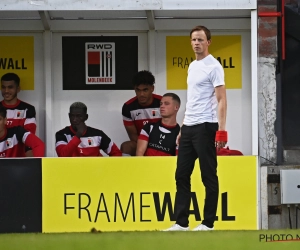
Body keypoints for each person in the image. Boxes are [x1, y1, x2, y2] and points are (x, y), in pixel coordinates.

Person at [164, 26, 227, 231]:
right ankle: (181, 222)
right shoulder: (192, 66)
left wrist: (222, 130)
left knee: (208, 175)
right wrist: (183, 127)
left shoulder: (214, 66)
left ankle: (208, 223)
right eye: (193, 40)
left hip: (206, 126)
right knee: (181, 174)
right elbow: (192, 100)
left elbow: (221, 100)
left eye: (200, 39)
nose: (196, 43)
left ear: (208, 42)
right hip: (189, 127)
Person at [55, 102, 122, 157]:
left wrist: (106, 168)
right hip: (73, 171)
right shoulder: (61, 134)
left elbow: (116, 153)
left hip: (95, 171)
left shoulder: (98, 134)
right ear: (69, 116)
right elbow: (62, 156)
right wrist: (78, 135)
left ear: (86, 117)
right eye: (72, 116)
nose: (74, 119)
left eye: (79, 116)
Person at [121, 70, 162, 156]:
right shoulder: (128, 107)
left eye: (145, 90)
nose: (141, 94)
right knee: (126, 146)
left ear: (152, 88)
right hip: (141, 143)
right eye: (138, 90)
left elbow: (170, 129)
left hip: (162, 143)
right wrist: (148, 147)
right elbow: (133, 136)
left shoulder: (162, 103)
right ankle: (128, 170)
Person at [0, 73, 37, 157]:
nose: (6, 91)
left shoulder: (28, 109)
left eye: (10, 87)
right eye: (3, 87)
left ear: (18, 89)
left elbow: (29, 137)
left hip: (19, 158)